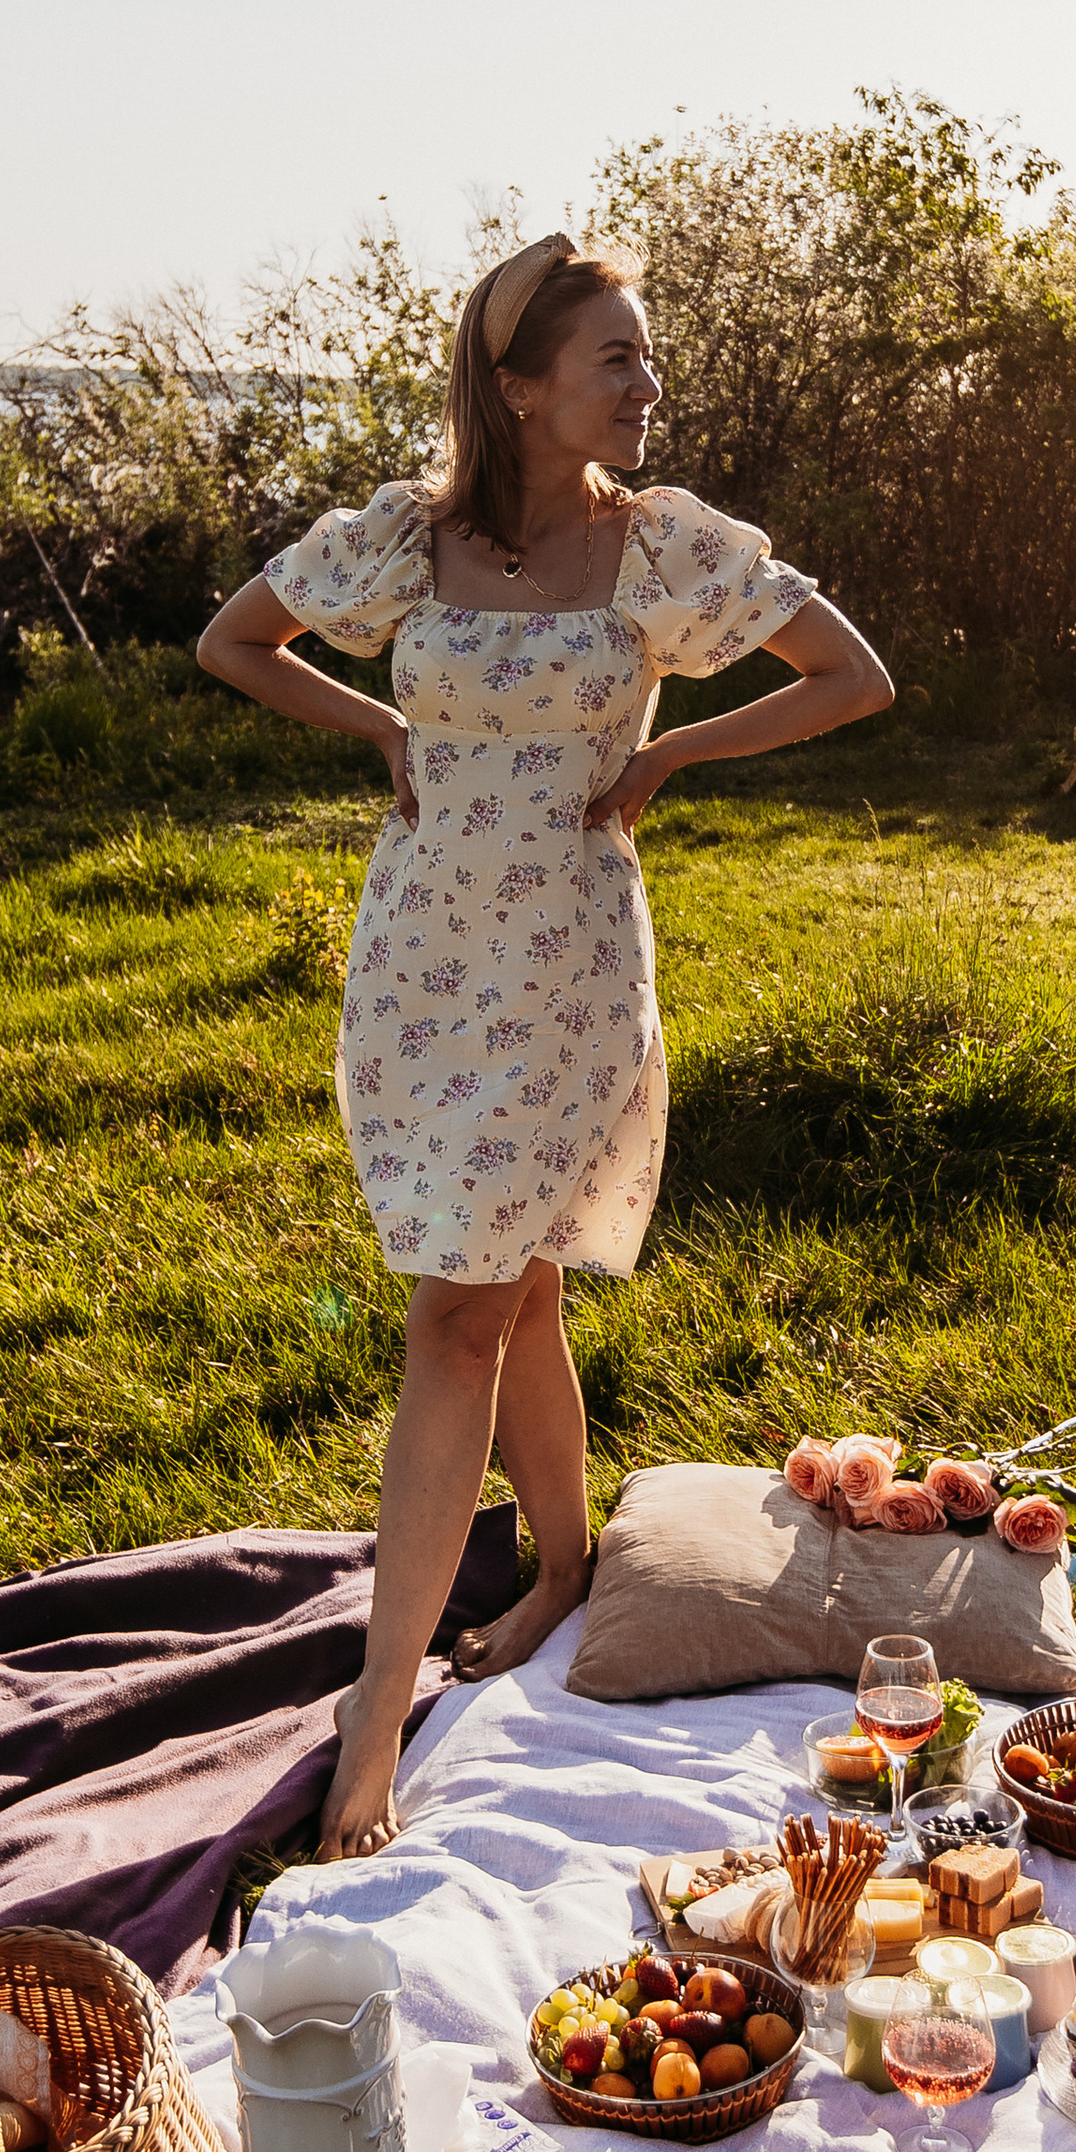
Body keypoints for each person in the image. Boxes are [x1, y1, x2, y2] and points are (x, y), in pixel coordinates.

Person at [196, 232, 892, 1855]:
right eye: (616, 363)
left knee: (458, 1319)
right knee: (507, 1291)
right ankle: (563, 1567)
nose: (647, 388)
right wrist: (377, 721)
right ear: (518, 390)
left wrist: (671, 757)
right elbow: (235, 642)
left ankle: (377, 1724)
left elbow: (851, 677)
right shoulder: (405, 540)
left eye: (646, 361)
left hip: (573, 965)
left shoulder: (665, 549)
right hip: (425, 960)